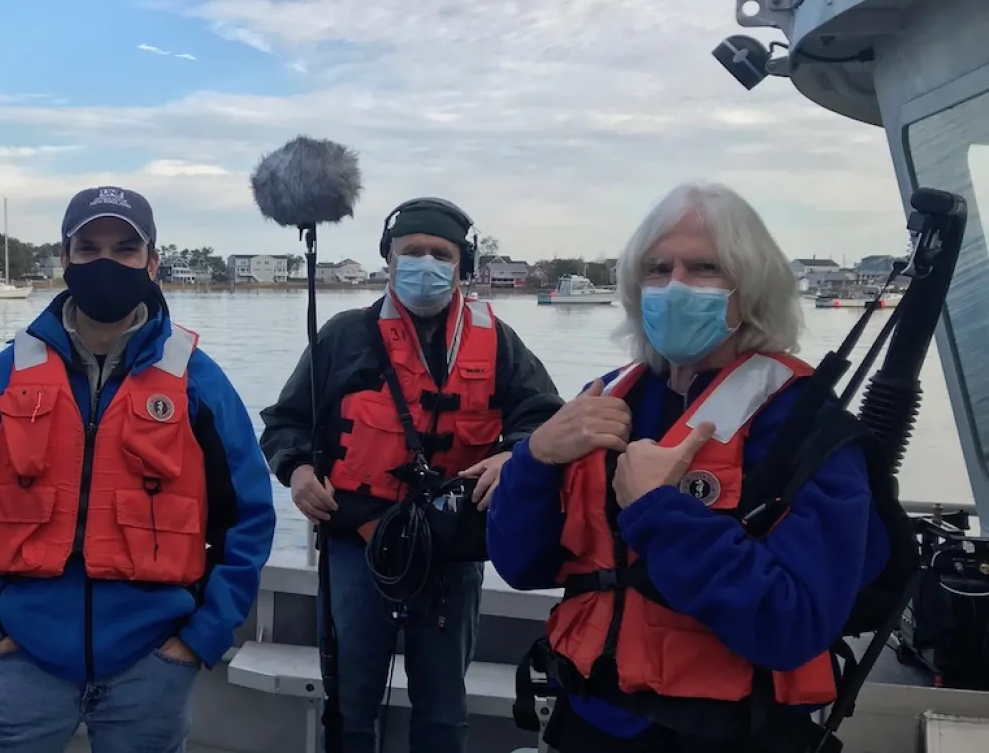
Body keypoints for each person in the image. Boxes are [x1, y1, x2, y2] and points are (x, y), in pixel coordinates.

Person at [488, 181, 897, 752]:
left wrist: (660, 512)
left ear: (750, 287)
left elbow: (794, 625)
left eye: (704, 267)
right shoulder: (604, 400)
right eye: (657, 269)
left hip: (727, 734)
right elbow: (520, 564)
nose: (675, 286)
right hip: (584, 719)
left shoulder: (807, 428)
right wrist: (534, 459)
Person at [0, 186, 277, 753]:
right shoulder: (8, 373)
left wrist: (199, 638)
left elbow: (248, 519)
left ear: (152, 262)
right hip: (21, 658)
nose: (106, 262)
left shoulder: (198, 380)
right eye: (88, 248)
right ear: (64, 259)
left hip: (153, 662)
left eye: (124, 248)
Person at [260, 197, 564, 753]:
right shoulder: (343, 336)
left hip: (449, 553)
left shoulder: (498, 342)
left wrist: (514, 456)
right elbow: (285, 424)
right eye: (412, 252)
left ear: (462, 265)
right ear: (389, 259)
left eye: (440, 254)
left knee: (444, 711)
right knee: (348, 707)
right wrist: (298, 471)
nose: (426, 263)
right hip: (357, 544)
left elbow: (546, 418)